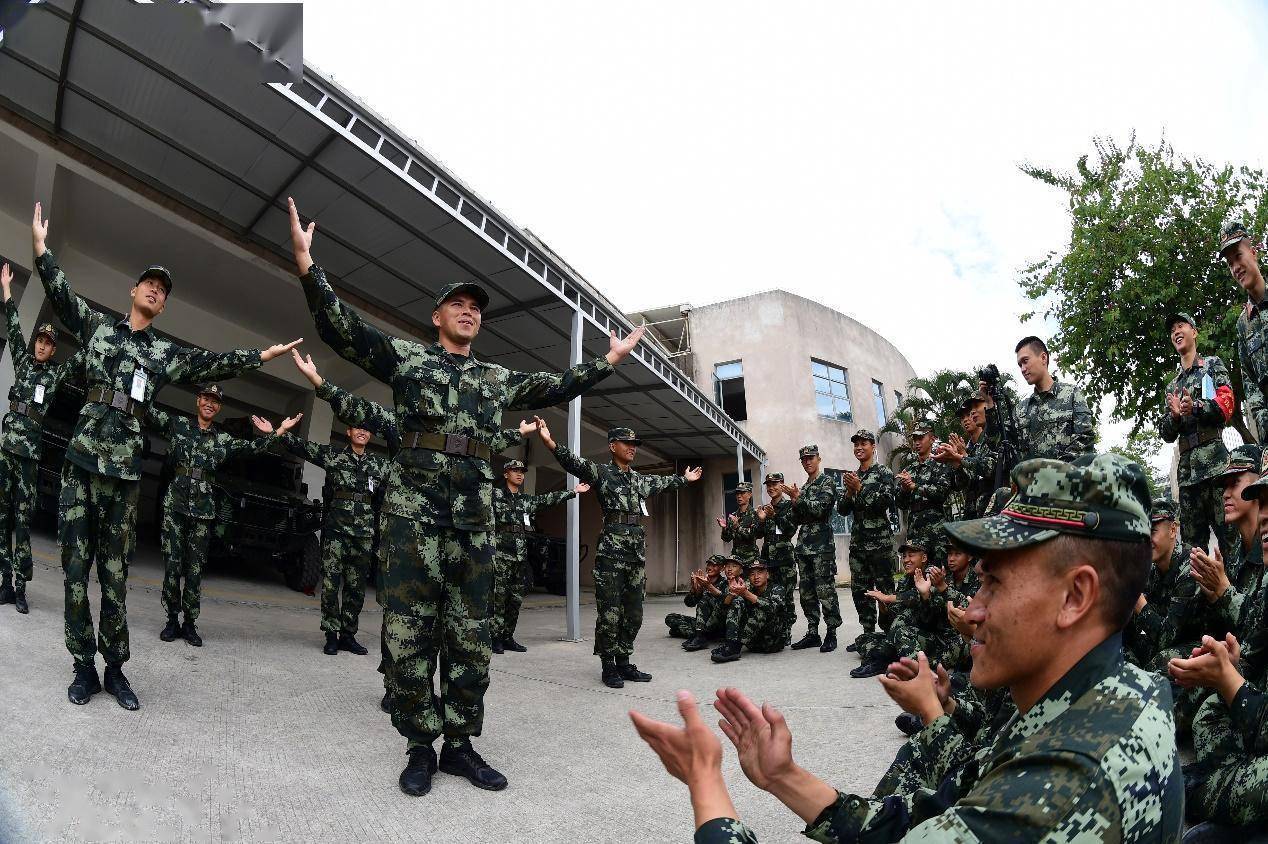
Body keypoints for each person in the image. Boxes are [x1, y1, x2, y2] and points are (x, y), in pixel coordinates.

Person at [632, 453, 1184, 842]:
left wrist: (706, 784)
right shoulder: (1126, 691)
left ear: (1075, 596)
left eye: (993, 582)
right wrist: (782, 776)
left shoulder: (1056, 794)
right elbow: (930, 817)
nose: (972, 610)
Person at [287, 196, 638, 796]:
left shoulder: (495, 379)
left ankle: (460, 745)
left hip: (473, 524)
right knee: (407, 636)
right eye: (459, 304)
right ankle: (420, 747)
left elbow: (554, 384)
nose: (470, 313)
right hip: (412, 523)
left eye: (477, 307)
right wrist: (307, 267)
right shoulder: (409, 361)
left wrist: (604, 361)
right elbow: (342, 331)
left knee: (470, 638)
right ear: (436, 315)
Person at [33, 203, 301, 711]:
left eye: (164, 290)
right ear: (133, 292)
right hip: (82, 467)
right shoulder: (97, 328)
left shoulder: (163, 354)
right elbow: (62, 296)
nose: (157, 290)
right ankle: (81, 667)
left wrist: (263, 356)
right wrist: (42, 250)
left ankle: (115, 670)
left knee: (115, 576)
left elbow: (210, 362)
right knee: (74, 570)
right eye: (150, 284)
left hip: (124, 477)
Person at [531, 416, 701, 687]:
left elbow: (661, 484)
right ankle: (608, 665)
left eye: (634, 444)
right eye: (627, 443)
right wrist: (550, 442)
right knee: (610, 612)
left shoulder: (637, 479)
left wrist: (684, 479)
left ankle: (624, 662)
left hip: (636, 555)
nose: (632, 448)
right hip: (611, 553)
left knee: (633, 612)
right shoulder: (601, 473)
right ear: (613, 446)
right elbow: (574, 463)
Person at [147, 386, 298, 647]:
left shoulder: (223, 440)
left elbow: (254, 449)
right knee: (172, 567)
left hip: (203, 512)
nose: (210, 404)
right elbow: (148, 413)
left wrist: (277, 431)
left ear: (219, 408)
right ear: (198, 401)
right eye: (206, 399)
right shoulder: (178, 425)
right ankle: (171, 620)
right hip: (176, 508)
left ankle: (190, 624)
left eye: (215, 402)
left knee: (195, 570)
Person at [1169, 467, 1268, 836]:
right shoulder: (1237, 556)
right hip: (1250, 695)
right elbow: (1250, 643)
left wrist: (1230, 678)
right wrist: (1231, 661)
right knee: (1204, 709)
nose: (1226, 493)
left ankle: (1203, 789)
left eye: (1236, 484)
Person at [281, 352, 395, 657]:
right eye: (356, 426)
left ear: (370, 435)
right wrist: (279, 433)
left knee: (356, 587)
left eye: (366, 428)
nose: (361, 431)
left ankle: (349, 634)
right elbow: (305, 449)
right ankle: (330, 634)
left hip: (363, 534)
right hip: (337, 530)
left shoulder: (380, 466)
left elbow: (398, 480)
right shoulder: (335, 456)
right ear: (348, 431)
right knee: (331, 583)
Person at [0, 263, 79, 614]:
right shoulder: (23, 361)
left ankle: (20, 587)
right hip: (6, 451)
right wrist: (5, 288)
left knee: (22, 521)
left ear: (53, 349)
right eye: (41, 340)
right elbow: (14, 327)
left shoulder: (55, 376)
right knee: (2, 519)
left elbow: (79, 362)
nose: (43, 345)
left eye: (49, 342)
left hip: (29, 458)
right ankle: (4, 583)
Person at [491, 459, 586, 653]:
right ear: (506, 474)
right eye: (514, 471)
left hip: (519, 558)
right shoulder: (495, 496)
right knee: (498, 600)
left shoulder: (525, 500)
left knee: (515, 600)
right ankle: (495, 639)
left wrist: (573, 491)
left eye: (522, 471)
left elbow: (546, 499)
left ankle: (508, 637)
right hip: (501, 555)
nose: (519, 474)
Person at [1161, 311, 1234, 557]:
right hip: (1188, 475)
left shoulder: (1212, 366)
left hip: (1215, 467)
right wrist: (1174, 417)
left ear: (1194, 332)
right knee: (1193, 548)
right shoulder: (1172, 386)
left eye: (1181, 326)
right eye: (1172, 331)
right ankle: (1199, 595)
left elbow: (1226, 405)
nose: (1176, 332)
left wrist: (1197, 407)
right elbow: (1166, 433)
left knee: (1230, 538)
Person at [835, 430, 896, 652]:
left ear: (873, 447)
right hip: (859, 544)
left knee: (885, 589)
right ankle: (868, 634)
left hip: (880, 543)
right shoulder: (853, 475)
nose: (859, 447)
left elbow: (884, 503)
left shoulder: (883, 473)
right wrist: (850, 492)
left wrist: (860, 489)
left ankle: (892, 635)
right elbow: (841, 510)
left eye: (863, 443)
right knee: (860, 590)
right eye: (856, 445)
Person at [785, 444, 842, 653]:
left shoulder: (827, 482)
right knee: (807, 592)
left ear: (819, 458)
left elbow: (820, 509)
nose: (807, 461)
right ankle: (812, 632)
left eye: (811, 457)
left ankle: (831, 633)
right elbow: (799, 518)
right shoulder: (805, 487)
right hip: (804, 546)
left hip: (821, 546)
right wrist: (794, 501)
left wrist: (799, 499)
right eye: (804, 459)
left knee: (825, 590)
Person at [1122, 499, 1187, 667]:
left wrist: (1138, 603)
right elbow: (1135, 632)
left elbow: (1168, 638)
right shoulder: (1151, 569)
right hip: (1162, 642)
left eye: (1151, 532)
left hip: (1194, 648)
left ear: (1173, 530)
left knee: (1164, 661)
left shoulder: (1189, 569)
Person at [1014, 335, 1096, 462]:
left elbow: (1085, 440)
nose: (1023, 369)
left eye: (1025, 361)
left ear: (1043, 358)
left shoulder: (1072, 395)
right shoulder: (1021, 410)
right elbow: (1003, 446)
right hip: (1030, 481)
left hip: (1066, 479)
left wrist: (1056, 474)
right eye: (1020, 365)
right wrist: (990, 404)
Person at [1223, 220, 1268, 439]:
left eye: (1238, 256)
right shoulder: (1244, 324)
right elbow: (1250, 385)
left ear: (1253, 253)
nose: (1236, 268)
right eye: (1230, 264)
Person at [896, 420, 952, 564]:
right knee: (916, 572)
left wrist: (915, 486)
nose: (917, 442)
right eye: (914, 439)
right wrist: (904, 489)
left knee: (939, 569)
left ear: (932, 439)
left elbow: (941, 493)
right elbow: (901, 504)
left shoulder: (940, 464)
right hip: (915, 529)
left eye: (921, 438)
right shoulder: (909, 470)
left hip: (936, 529)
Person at [711, 560, 788, 663]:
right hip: (752, 642)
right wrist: (732, 594)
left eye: (760, 572)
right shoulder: (748, 588)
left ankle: (734, 648)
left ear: (767, 575)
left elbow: (772, 607)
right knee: (737, 601)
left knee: (761, 609)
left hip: (772, 642)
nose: (756, 577)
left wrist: (745, 593)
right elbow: (723, 610)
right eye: (752, 574)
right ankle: (731, 644)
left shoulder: (777, 589)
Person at [934, 396, 997, 520]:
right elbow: (962, 485)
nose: (966, 420)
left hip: (992, 510)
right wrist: (955, 463)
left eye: (968, 414)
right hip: (972, 512)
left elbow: (990, 471)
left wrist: (962, 457)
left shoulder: (992, 439)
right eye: (962, 418)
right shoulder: (967, 447)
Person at [755, 472, 798, 641]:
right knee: (770, 597)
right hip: (768, 562)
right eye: (769, 485)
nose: (771, 488)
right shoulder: (765, 508)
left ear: (782, 485)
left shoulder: (789, 506)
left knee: (786, 597)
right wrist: (761, 520)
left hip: (784, 561)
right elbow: (758, 535)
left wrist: (775, 516)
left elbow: (790, 530)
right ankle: (774, 629)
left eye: (775, 484)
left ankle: (786, 632)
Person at [666, 554, 728, 648]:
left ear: (722, 569)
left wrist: (709, 588)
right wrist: (695, 590)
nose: (710, 568)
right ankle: (703, 634)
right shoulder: (702, 581)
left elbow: (725, 603)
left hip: (718, 622)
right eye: (709, 564)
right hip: (702, 622)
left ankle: (699, 636)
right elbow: (689, 603)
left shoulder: (725, 583)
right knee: (670, 618)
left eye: (714, 565)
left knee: (704, 600)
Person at [718, 481, 760, 563]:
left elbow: (753, 535)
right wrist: (724, 528)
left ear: (749, 495)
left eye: (742, 493)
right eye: (737, 494)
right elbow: (727, 539)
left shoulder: (755, 514)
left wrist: (738, 527)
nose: (739, 496)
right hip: (736, 560)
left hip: (751, 559)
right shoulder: (733, 515)